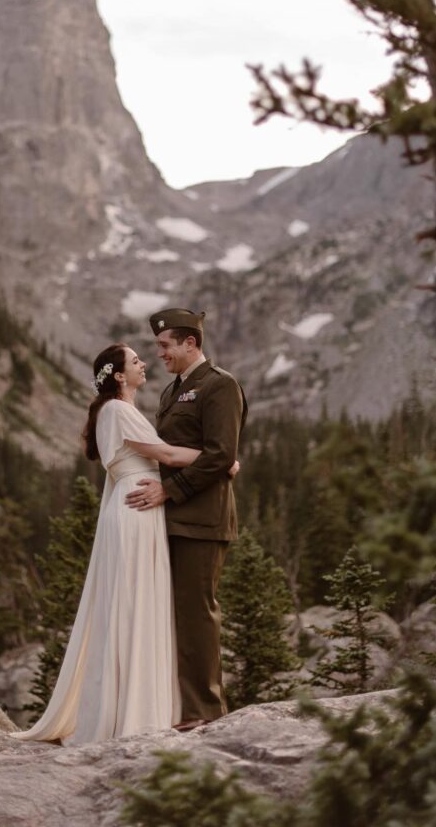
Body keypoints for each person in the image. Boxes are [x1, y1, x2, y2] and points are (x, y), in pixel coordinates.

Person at [11, 342, 203, 746]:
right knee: (133, 605)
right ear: (118, 375)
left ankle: (132, 708)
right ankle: (131, 716)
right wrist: (219, 459)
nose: (144, 363)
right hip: (136, 509)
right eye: (135, 361)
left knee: (134, 604)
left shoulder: (116, 411)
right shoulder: (116, 410)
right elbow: (165, 453)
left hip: (136, 505)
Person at [124, 308, 248, 731]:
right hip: (172, 519)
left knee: (197, 614)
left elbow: (220, 455)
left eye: (165, 345)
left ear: (190, 343)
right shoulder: (171, 392)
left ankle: (204, 712)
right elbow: (177, 451)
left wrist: (168, 490)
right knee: (173, 614)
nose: (158, 353)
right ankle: (177, 708)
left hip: (202, 519)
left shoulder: (220, 386)